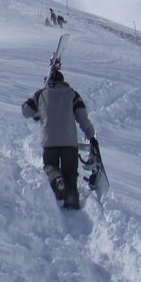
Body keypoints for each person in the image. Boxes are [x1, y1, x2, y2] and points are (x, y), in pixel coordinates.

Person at [21, 69, 97, 209]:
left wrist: (35, 102)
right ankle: (72, 200)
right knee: (70, 171)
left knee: (50, 167)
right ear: (63, 81)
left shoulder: (41, 94)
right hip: (69, 143)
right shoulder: (73, 95)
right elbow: (82, 117)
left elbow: (26, 111)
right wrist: (91, 136)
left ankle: (56, 178)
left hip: (49, 142)